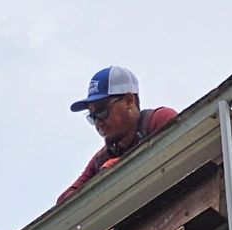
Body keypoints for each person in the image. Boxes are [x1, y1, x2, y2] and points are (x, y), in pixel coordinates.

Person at [58, 66, 179, 203]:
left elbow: (178, 155)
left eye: (101, 111)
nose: (98, 122)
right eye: (92, 116)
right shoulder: (102, 159)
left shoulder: (158, 121)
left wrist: (120, 169)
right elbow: (65, 201)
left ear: (129, 100)